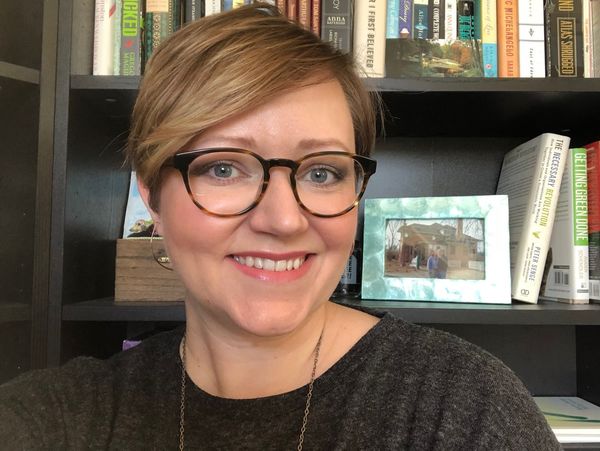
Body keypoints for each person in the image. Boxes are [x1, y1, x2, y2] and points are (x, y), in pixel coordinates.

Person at [0, 4, 559, 450]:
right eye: (223, 168)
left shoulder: (465, 408)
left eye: (322, 172)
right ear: (152, 195)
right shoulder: (65, 415)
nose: (285, 220)